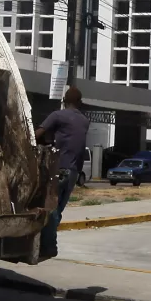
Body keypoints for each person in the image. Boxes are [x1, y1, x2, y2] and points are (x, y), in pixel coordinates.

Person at [35, 85, 90, 258]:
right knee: (57, 210)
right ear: (80, 102)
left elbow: (37, 134)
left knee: (51, 208)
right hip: (74, 172)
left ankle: (49, 246)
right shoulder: (85, 121)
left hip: (59, 168)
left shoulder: (57, 115)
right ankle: (46, 243)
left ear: (64, 101)